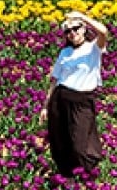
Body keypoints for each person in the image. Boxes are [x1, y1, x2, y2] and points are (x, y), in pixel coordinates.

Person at [43, 12, 109, 179]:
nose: (72, 33)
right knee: (60, 140)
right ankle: (68, 177)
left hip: (82, 99)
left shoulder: (94, 48)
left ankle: (87, 174)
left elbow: (103, 31)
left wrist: (82, 16)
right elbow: (55, 79)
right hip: (60, 98)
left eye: (76, 28)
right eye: (68, 31)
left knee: (80, 142)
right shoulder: (65, 53)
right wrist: (46, 106)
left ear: (84, 29)